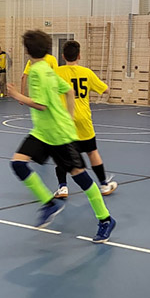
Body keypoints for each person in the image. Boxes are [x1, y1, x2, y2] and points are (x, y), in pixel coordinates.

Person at [6, 30, 116, 243]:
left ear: (27, 51)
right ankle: (49, 203)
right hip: (43, 132)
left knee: (80, 176)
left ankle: (105, 219)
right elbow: (69, 91)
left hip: (58, 134)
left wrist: (18, 95)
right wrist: (70, 116)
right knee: (18, 163)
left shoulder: (38, 72)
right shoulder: (48, 69)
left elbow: (42, 105)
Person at [54, 40, 118, 198]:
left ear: (63, 56)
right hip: (83, 119)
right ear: (79, 56)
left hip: (65, 119)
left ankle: (63, 187)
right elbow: (106, 90)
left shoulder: (56, 72)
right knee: (92, 152)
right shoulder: (87, 73)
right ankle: (104, 185)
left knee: (62, 154)